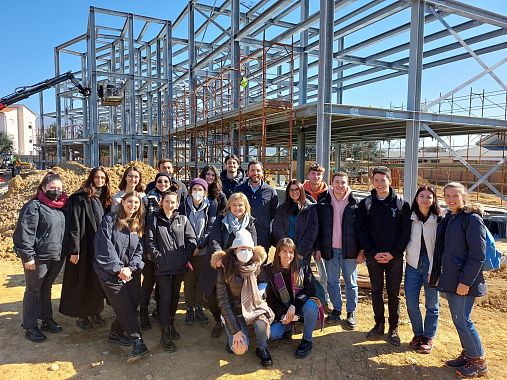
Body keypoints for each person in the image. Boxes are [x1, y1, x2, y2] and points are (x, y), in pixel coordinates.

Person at [430, 182, 488, 378]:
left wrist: (466, 282)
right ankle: (469, 354)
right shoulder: (450, 218)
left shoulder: (471, 219)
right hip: (452, 279)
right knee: (458, 319)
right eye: (447, 196)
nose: (451, 199)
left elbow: (478, 255)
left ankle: (478, 361)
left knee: (463, 320)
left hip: (464, 281)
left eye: (455, 195)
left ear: (463, 196)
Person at [355, 166, 411, 346]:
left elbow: (405, 232)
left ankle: (393, 328)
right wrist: (372, 252)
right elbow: (361, 231)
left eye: (383, 180)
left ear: (390, 181)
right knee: (376, 291)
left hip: (394, 258)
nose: (379, 183)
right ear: (372, 181)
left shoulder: (402, 204)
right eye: (376, 180)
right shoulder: (366, 204)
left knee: (394, 294)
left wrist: (393, 254)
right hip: (374, 257)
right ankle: (379, 324)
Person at [93, 191, 149, 363]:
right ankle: (137, 342)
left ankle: (115, 333)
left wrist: (132, 268)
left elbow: (139, 251)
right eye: (130, 201)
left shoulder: (137, 224)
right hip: (109, 272)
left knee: (133, 302)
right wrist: (118, 269)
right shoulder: (110, 220)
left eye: (136, 203)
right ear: (123, 202)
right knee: (124, 306)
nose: (133, 205)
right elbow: (105, 247)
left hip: (129, 272)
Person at [13, 172, 68, 342]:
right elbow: (25, 232)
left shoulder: (60, 207)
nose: (56, 191)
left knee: (46, 288)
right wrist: (28, 256)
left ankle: (46, 320)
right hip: (38, 258)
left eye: (59, 188)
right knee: (33, 290)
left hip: (56, 256)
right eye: (52, 188)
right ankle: (30, 326)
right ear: (43, 188)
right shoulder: (34, 206)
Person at [60, 166, 113, 330]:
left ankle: (95, 311)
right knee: (82, 280)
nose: (100, 181)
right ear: (91, 178)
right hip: (83, 247)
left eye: (103, 178)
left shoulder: (101, 197)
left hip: (97, 247)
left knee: (96, 281)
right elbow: (74, 225)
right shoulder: (80, 197)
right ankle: (82, 315)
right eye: (97, 177)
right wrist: (74, 249)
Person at [212, 229, 275, 367]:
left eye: (248, 249)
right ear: (234, 250)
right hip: (234, 311)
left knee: (262, 324)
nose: (245, 252)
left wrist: (261, 289)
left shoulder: (256, 264)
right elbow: (223, 301)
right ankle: (231, 332)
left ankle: (262, 348)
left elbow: (263, 279)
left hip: (253, 307)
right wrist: (235, 331)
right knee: (239, 350)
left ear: (253, 250)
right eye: (241, 248)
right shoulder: (225, 267)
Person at [145, 187, 197, 352]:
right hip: (162, 267)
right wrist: (158, 258)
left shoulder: (182, 219)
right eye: (166, 201)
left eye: (172, 202)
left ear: (177, 203)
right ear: (161, 202)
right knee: (165, 298)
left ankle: (171, 322)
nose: (169, 204)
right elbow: (150, 242)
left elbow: (192, 240)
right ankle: (165, 333)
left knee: (174, 297)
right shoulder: (153, 218)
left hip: (178, 267)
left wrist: (184, 257)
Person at [202, 192, 257, 339]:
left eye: (240, 205)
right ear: (229, 206)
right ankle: (219, 321)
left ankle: (236, 323)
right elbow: (214, 240)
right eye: (234, 205)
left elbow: (253, 244)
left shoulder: (250, 222)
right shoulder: (222, 220)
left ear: (245, 207)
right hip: (222, 264)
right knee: (213, 297)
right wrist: (219, 255)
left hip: (239, 267)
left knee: (234, 298)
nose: (237, 208)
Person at [315, 172, 364, 329]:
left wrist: (362, 250)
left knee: (351, 282)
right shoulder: (323, 201)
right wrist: (317, 248)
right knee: (332, 281)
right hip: (330, 250)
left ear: (347, 184)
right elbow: (318, 227)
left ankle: (351, 312)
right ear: (332, 183)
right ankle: (336, 309)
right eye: (337, 182)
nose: (340, 185)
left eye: (343, 182)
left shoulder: (355, 202)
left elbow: (362, 230)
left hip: (350, 251)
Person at [262, 238, 322, 358]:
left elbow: (310, 289)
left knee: (311, 307)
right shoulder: (269, 270)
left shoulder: (302, 266)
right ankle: (288, 327)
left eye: (291, 252)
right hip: (283, 310)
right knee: (273, 334)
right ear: (278, 252)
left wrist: (295, 305)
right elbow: (271, 299)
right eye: (284, 251)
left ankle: (307, 340)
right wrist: (283, 315)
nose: (288, 255)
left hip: (300, 307)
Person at [405, 185, 441, 354]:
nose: (425, 200)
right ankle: (418, 334)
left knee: (432, 304)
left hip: (432, 265)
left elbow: (442, 247)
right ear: (417, 198)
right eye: (422, 196)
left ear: (434, 200)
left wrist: (436, 269)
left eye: (429, 197)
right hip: (413, 264)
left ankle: (428, 337)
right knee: (411, 302)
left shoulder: (439, 219)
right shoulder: (409, 217)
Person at [179, 178, 218, 327]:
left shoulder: (211, 206)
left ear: (205, 192)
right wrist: (190, 247)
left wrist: (200, 245)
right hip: (187, 251)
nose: (197, 192)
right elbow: (180, 227)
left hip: (203, 251)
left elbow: (211, 227)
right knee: (188, 280)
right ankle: (189, 308)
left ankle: (199, 307)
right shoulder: (183, 206)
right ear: (190, 191)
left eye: (200, 189)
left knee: (200, 280)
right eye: (194, 189)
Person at [139, 172, 173, 329]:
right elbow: (144, 222)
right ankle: (143, 312)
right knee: (148, 283)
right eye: (160, 181)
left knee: (162, 284)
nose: (163, 183)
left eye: (166, 181)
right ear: (155, 182)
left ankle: (159, 312)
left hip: (165, 250)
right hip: (150, 248)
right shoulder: (147, 198)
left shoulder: (171, 199)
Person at [303, 163, 331, 309]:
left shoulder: (329, 193)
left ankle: (326, 297)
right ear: (309, 175)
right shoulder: (301, 191)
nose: (316, 177)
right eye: (313, 174)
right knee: (303, 270)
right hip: (306, 237)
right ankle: (305, 296)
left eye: (319, 174)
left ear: (322, 176)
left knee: (324, 272)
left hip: (324, 237)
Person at [234, 161, 278, 253]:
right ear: (248, 172)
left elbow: (273, 214)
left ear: (262, 172)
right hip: (242, 236)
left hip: (263, 237)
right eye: (252, 170)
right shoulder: (239, 189)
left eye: (258, 170)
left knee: (261, 266)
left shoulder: (271, 191)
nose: (255, 173)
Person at [272, 179, 318, 264]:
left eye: (297, 189)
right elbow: (277, 229)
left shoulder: (310, 209)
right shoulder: (282, 209)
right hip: (285, 251)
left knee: (301, 276)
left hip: (302, 252)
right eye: (291, 190)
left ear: (301, 190)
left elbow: (312, 232)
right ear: (288, 192)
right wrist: (286, 249)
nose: (294, 192)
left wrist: (301, 251)